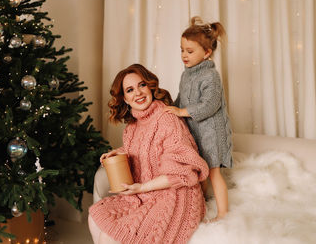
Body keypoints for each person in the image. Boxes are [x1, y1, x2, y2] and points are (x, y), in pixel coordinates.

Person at [88, 64, 209, 244]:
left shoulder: (167, 118)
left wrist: (142, 188)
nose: (138, 93)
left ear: (150, 87)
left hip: (175, 195)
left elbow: (182, 172)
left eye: (142, 85)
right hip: (144, 194)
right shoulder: (132, 127)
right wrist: (118, 153)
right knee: (95, 216)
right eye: (130, 90)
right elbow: (143, 151)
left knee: (109, 236)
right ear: (125, 99)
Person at [164, 16, 232, 222]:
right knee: (199, 170)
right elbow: (181, 99)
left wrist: (181, 112)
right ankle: (199, 205)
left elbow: (209, 105)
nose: (184, 55)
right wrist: (171, 108)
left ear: (207, 53)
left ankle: (223, 213)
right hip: (196, 132)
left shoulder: (211, 76)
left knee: (213, 172)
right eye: (182, 50)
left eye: (190, 51)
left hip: (212, 133)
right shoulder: (186, 75)